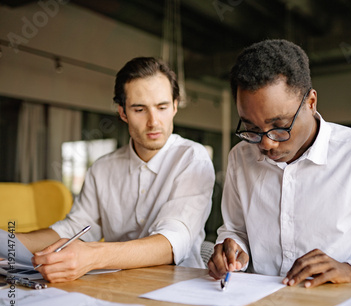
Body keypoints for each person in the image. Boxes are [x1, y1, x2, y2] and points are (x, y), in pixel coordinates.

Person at [208, 39, 351, 287]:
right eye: (252, 129)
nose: (266, 144)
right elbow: (235, 229)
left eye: (279, 126)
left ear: (311, 102)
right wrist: (232, 247)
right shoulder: (240, 157)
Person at [17, 57, 215, 283]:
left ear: (175, 106)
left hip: (178, 289)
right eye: (139, 109)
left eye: (162, 107)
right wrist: (8, 242)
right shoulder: (102, 169)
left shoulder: (192, 158)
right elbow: (73, 228)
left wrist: (93, 256)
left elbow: (171, 243)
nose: (153, 122)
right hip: (115, 288)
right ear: (122, 113)